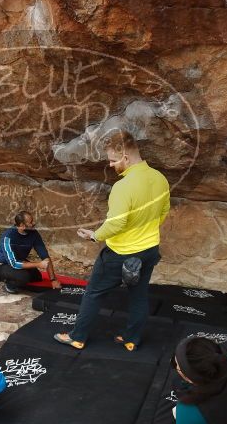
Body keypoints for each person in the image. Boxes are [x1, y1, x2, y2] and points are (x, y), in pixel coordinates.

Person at [54, 130, 170, 351]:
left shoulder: (123, 187)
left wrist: (94, 235)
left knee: (93, 293)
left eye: (113, 159)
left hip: (120, 254)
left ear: (125, 156)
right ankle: (131, 339)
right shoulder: (160, 179)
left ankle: (77, 337)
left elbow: (116, 224)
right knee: (139, 296)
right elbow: (163, 212)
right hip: (149, 250)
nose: (110, 164)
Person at [0, 210, 60, 293]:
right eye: (30, 222)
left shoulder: (34, 234)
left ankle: (12, 276)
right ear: (22, 225)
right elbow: (13, 263)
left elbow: (45, 256)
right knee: (24, 277)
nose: (33, 223)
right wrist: (38, 264)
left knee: (37, 277)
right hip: (2, 264)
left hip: (18, 261)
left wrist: (53, 279)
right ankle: (5, 282)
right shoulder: (7, 237)